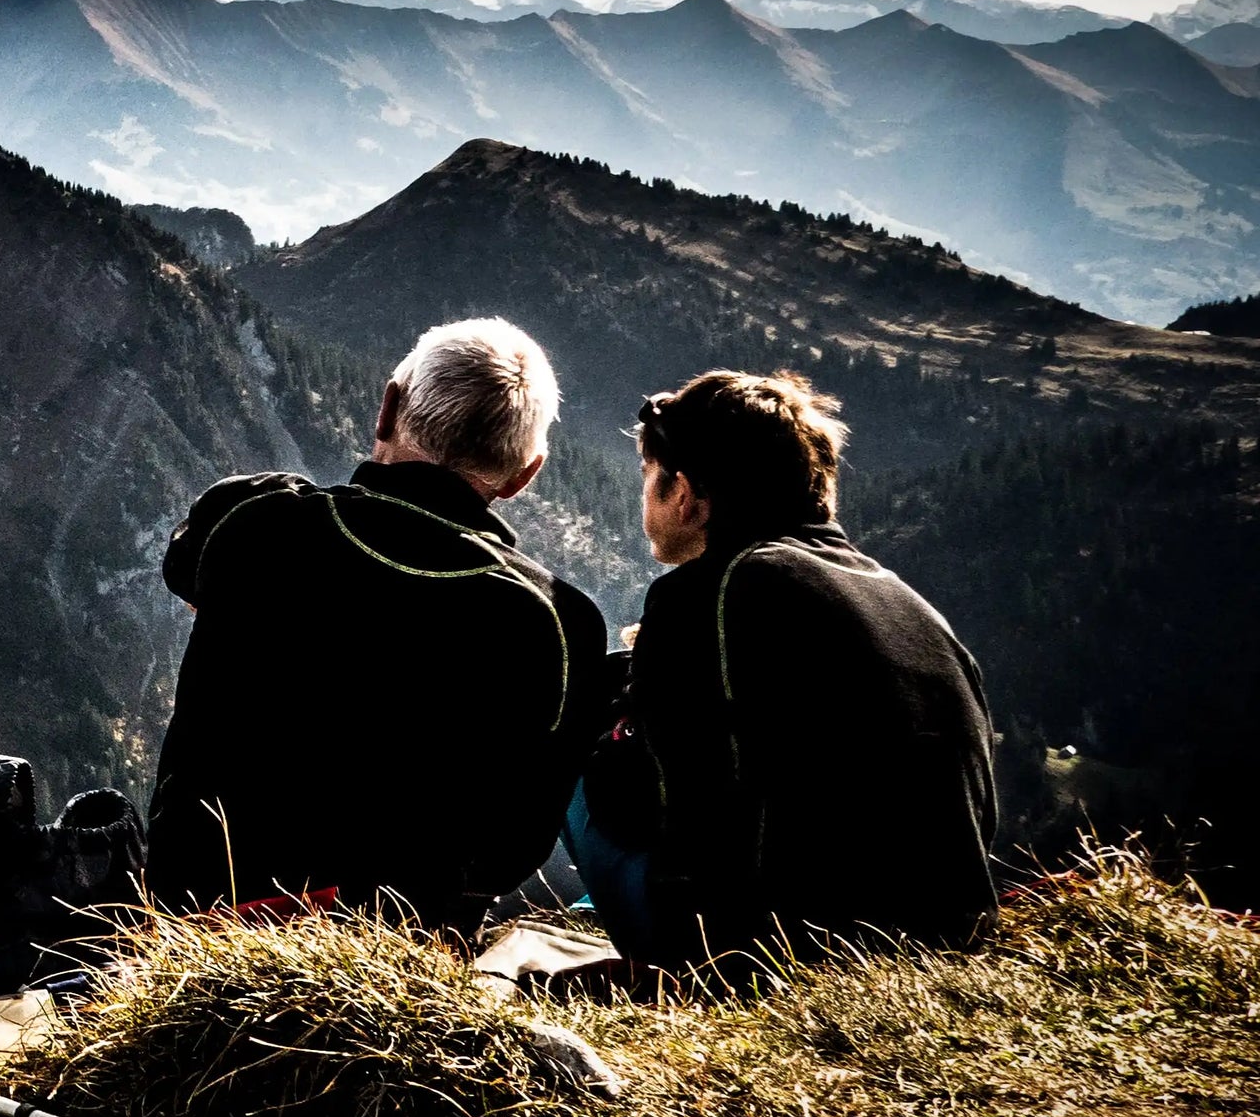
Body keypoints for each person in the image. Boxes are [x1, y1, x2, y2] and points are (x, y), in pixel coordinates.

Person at [147, 317, 613, 929]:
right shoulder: (562, 622)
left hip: (196, 923)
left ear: (387, 409)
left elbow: (189, 557)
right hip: (398, 948)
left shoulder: (259, 527)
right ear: (527, 473)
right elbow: (511, 852)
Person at [572, 370, 999, 969]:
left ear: (686, 494)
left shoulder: (709, 593)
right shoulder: (908, 604)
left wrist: (617, 721)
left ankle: (452, 923)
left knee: (573, 714)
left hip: (774, 958)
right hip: (945, 944)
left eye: (649, 480)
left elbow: (639, 795)